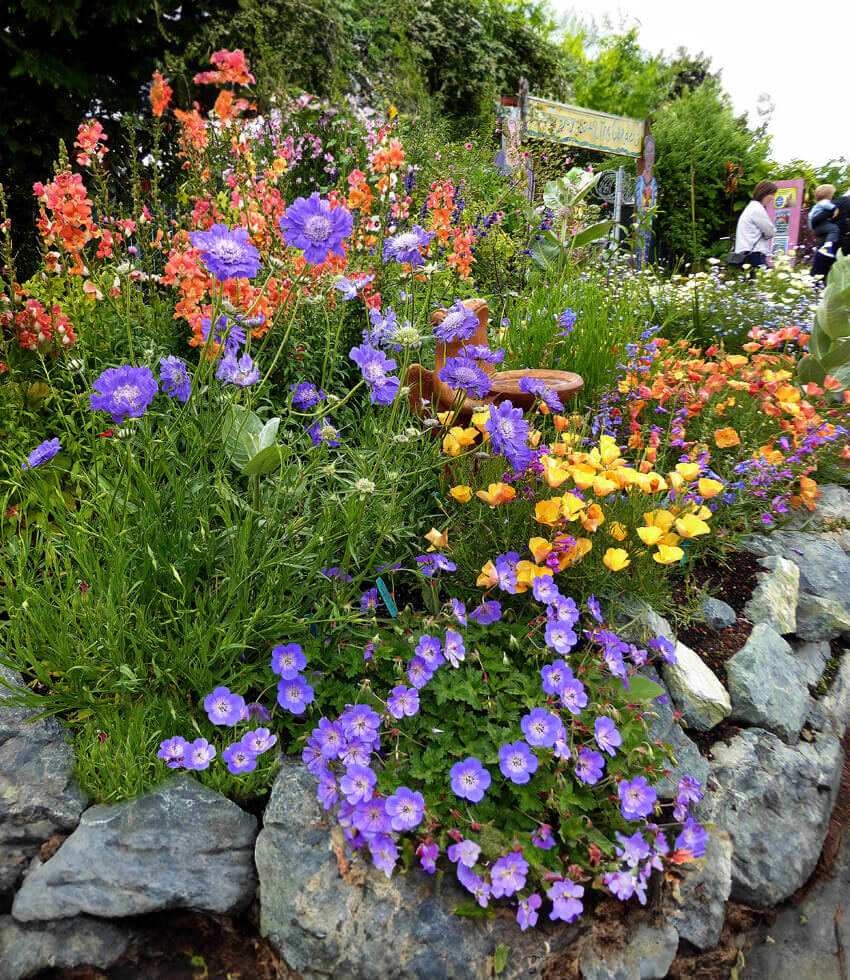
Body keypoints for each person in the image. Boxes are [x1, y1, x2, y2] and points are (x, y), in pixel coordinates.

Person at [734, 181, 777, 274]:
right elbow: (771, 232)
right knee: (760, 285)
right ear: (765, 193)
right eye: (772, 194)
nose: (773, 198)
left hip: (745, 254)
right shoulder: (757, 209)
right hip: (755, 254)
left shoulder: (750, 207)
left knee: (750, 284)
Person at [808, 184, 840, 256]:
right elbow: (828, 206)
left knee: (824, 237)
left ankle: (819, 248)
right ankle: (828, 247)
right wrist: (835, 208)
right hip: (820, 224)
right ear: (829, 195)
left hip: (815, 228)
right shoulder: (824, 202)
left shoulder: (817, 205)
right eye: (832, 194)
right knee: (834, 229)